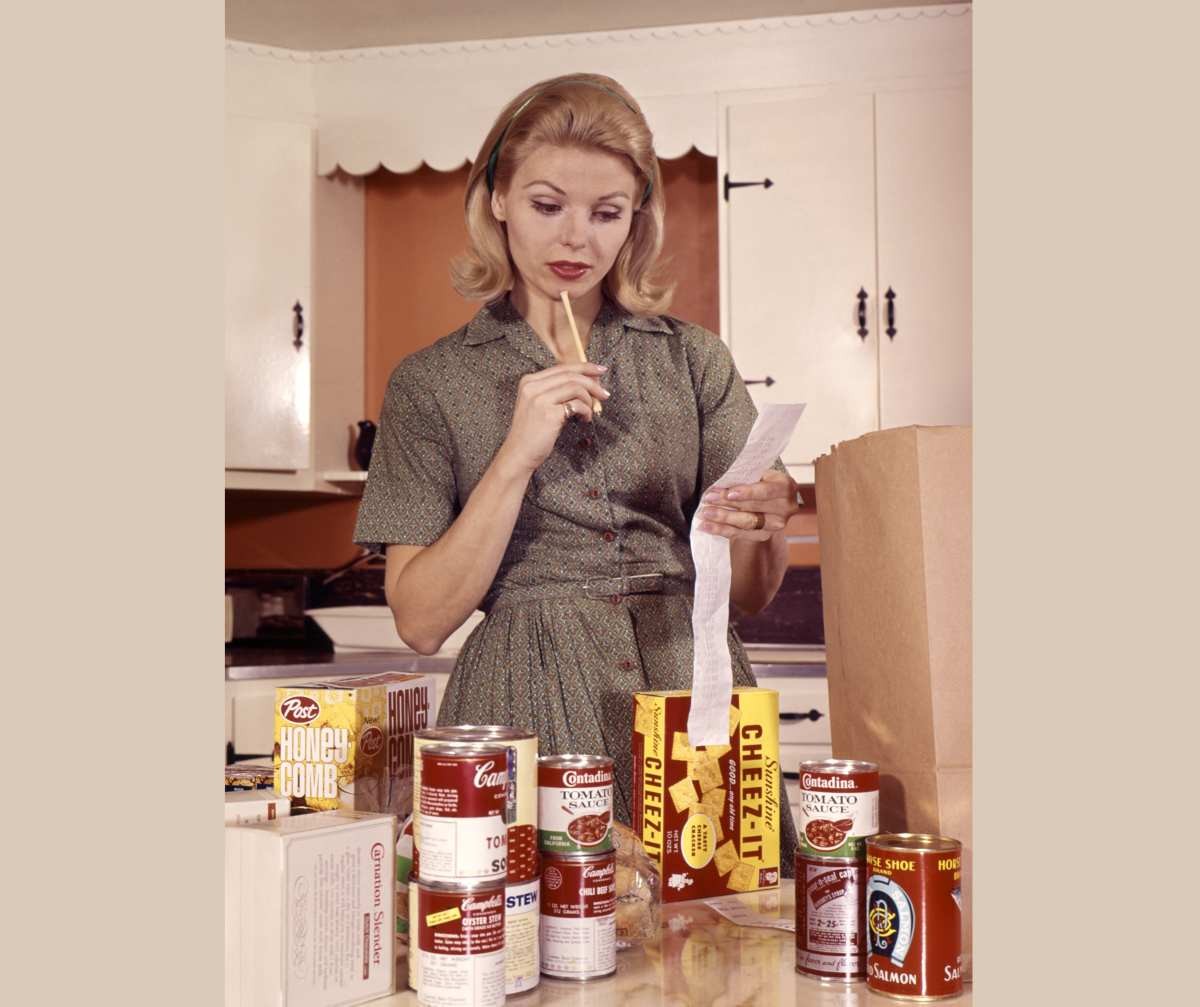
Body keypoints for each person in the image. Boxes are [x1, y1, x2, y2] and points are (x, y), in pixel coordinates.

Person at [353, 73, 803, 872]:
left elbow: (750, 596)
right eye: (546, 204)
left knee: (736, 953)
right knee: (541, 953)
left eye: (606, 213)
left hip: (690, 685)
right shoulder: (430, 384)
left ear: (635, 218)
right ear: (496, 198)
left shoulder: (695, 361)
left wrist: (766, 526)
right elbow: (420, 619)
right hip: (526, 695)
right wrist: (516, 455)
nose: (576, 241)